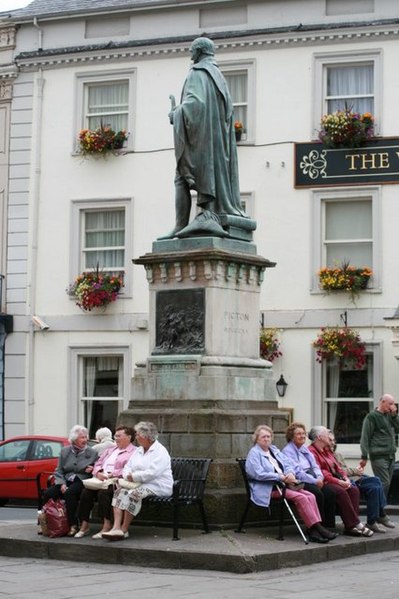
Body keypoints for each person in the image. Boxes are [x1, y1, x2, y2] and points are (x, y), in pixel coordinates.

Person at [159, 36, 247, 240]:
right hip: (216, 146)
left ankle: (181, 224)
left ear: (199, 52)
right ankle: (195, 218)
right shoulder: (219, 77)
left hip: (201, 142)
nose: (190, 56)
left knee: (181, 176)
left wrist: (176, 114)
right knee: (184, 177)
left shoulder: (197, 73)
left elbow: (195, 105)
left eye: (192, 51)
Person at [245, 424, 336, 543]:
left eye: (268, 436)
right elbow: (257, 473)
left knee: (311, 495)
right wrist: (280, 477)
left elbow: (288, 464)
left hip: (285, 484)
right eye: (263, 437)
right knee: (301, 497)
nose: (266, 439)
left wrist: (290, 473)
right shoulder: (254, 453)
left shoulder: (274, 450)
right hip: (270, 488)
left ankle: (314, 530)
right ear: (256, 438)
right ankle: (318, 529)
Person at [102, 421, 174, 541]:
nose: (136, 437)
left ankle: (124, 530)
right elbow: (127, 467)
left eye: (138, 435)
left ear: (146, 436)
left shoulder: (160, 451)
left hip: (157, 485)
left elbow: (153, 473)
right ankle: (116, 527)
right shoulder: (139, 450)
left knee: (133, 494)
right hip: (137, 483)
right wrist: (127, 476)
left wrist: (134, 476)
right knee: (120, 492)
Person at [308, 426, 373, 537]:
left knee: (353, 490)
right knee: (340, 491)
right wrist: (339, 482)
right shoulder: (312, 452)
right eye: (326, 434)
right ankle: (356, 523)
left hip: (336, 479)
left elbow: (338, 467)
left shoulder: (327, 450)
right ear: (319, 437)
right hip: (325, 482)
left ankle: (349, 527)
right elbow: (321, 472)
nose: (329, 436)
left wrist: (345, 478)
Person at [74, 425, 136, 538]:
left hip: (117, 481)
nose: (116, 438)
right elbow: (98, 463)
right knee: (86, 492)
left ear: (128, 437)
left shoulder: (134, 452)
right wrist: (98, 473)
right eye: (115, 436)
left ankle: (106, 525)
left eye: (119, 436)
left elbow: (131, 469)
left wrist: (113, 474)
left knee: (104, 493)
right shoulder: (110, 450)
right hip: (101, 478)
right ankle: (84, 525)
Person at [328, 430, 394, 533]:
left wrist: (356, 471)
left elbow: (345, 470)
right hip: (348, 481)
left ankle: (373, 521)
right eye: (330, 440)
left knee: (376, 485)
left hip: (353, 478)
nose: (333, 443)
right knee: (376, 482)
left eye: (334, 440)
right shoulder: (326, 456)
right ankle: (379, 515)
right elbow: (339, 472)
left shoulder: (338, 454)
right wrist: (355, 470)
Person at [42, 424, 97, 537]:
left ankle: (73, 524)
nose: (85, 440)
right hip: (66, 479)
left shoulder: (92, 452)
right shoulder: (65, 451)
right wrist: (61, 483)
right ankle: (48, 524)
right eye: (82, 437)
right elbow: (59, 470)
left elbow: (99, 468)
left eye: (86, 437)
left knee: (70, 493)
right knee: (48, 493)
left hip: (82, 480)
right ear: (74, 439)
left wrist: (93, 469)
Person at [282, 422, 337, 529]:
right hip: (300, 481)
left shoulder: (304, 449)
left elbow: (315, 465)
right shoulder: (288, 451)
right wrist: (315, 481)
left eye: (303, 433)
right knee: (318, 494)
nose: (302, 436)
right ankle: (319, 527)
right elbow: (298, 472)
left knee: (330, 492)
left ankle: (330, 526)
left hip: (314, 477)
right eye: (298, 434)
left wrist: (319, 477)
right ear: (292, 437)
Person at [360, 393, 399, 502]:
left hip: (391, 455)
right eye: (390, 404)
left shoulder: (390, 415)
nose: (392, 406)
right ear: (382, 402)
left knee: (388, 483)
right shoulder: (372, 417)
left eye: (393, 404)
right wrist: (364, 455)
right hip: (378, 456)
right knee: (384, 482)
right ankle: (378, 509)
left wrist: (395, 415)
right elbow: (365, 437)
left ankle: (380, 508)